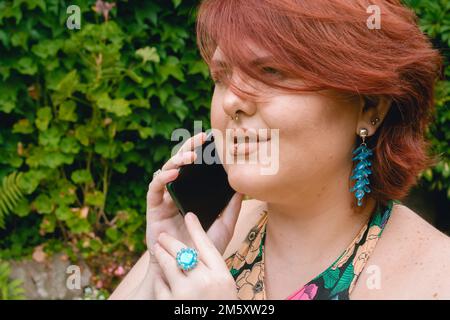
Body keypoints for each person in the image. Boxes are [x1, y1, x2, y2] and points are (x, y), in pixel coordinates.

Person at [110, 0, 450, 300]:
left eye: (271, 72)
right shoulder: (205, 234)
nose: (231, 101)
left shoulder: (435, 278)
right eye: (221, 75)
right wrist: (160, 273)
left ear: (369, 108)